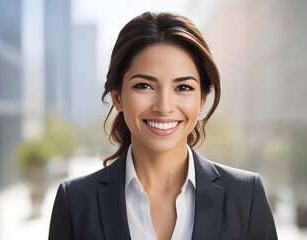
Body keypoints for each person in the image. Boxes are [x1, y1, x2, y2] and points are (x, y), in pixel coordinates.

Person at [49, 11, 278, 240]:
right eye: (144, 86)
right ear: (118, 97)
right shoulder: (75, 203)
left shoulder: (246, 196)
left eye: (183, 88)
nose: (164, 106)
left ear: (202, 101)